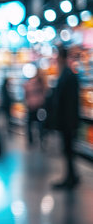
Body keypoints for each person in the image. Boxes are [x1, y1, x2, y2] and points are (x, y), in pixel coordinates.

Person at [52, 45, 80, 189]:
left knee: (68, 150)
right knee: (68, 151)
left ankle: (71, 177)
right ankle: (72, 176)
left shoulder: (67, 75)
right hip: (68, 121)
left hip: (68, 121)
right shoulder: (67, 74)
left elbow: (69, 102)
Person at [24, 69, 47, 147]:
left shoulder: (30, 82)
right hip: (39, 106)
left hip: (31, 106)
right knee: (40, 123)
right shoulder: (41, 83)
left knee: (29, 124)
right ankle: (41, 139)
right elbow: (45, 93)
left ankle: (31, 140)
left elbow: (26, 93)